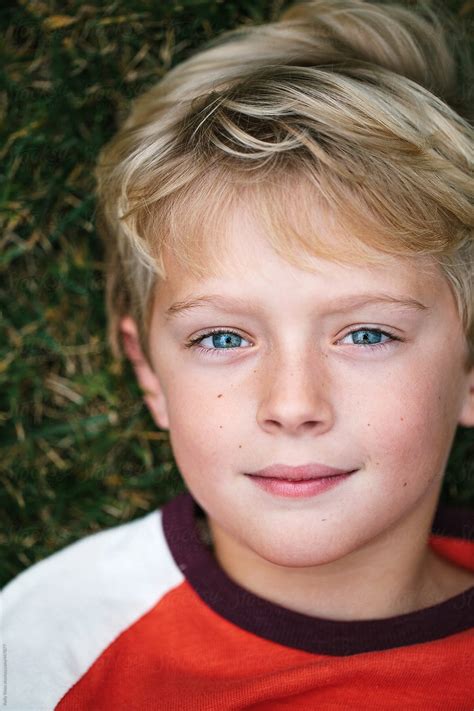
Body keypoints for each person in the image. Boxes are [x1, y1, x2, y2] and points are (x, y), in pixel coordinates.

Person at [3, 0, 474, 708]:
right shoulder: (52, 643)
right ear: (150, 373)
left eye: (366, 334)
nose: (292, 405)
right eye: (222, 338)